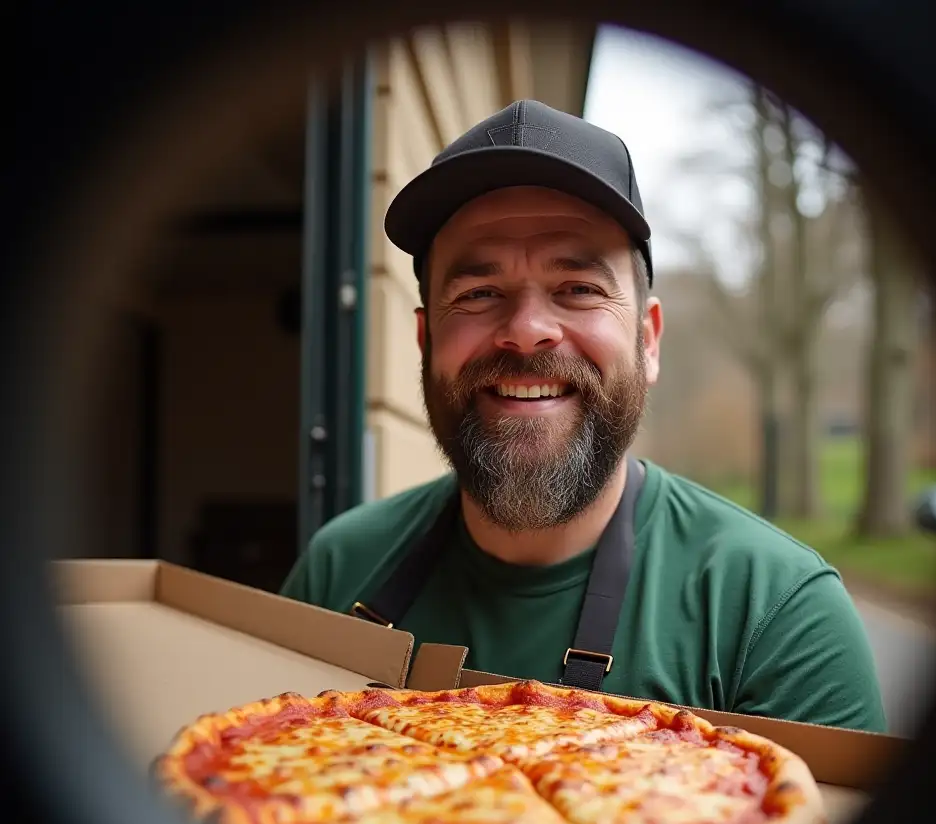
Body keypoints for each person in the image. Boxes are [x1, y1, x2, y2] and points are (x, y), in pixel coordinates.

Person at [281, 99, 887, 733]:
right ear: (426, 341)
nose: (527, 332)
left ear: (647, 341)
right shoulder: (336, 569)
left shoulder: (775, 616)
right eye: (478, 293)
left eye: (579, 289)